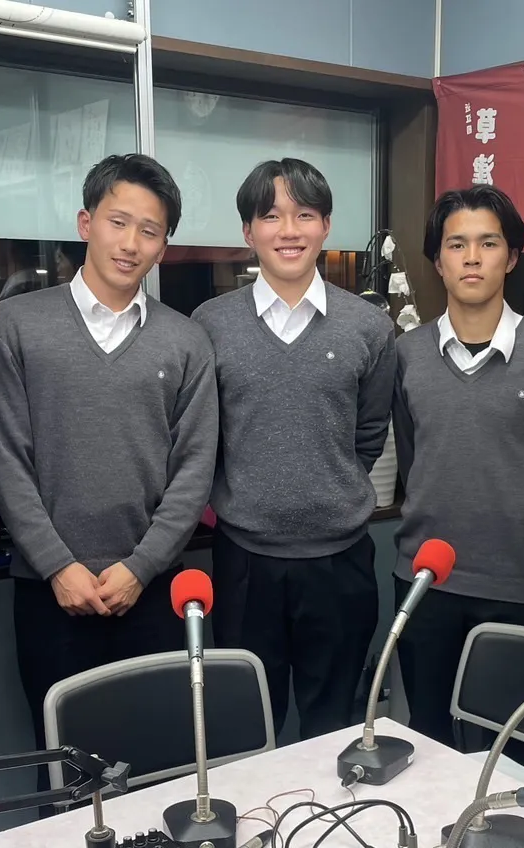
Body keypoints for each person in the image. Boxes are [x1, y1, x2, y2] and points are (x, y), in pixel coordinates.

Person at [0, 154, 217, 750]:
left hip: (151, 589)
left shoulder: (186, 340)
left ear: (164, 246)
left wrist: (141, 567)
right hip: (49, 591)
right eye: (118, 222)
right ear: (86, 223)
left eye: (150, 230)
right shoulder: (15, 326)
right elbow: (5, 457)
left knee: (158, 757)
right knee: (64, 763)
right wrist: (57, 565)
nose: (131, 243)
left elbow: (194, 468)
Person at [192, 158, 395, 739]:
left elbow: (368, 433)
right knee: (246, 728)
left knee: (335, 727)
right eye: (271, 216)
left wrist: (323, 486)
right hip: (244, 561)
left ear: (326, 226)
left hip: (340, 561)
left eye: (304, 215)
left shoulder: (368, 327)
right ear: (247, 231)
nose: (288, 230)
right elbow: (205, 435)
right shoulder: (210, 324)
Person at [392, 185, 524, 748]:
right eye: (456, 245)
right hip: (424, 580)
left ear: (513, 256)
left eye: (488, 243)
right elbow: (411, 452)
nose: (472, 258)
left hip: (517, 583)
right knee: (427, 738)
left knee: (508, 745)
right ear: (438, 260)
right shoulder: (406, 354)